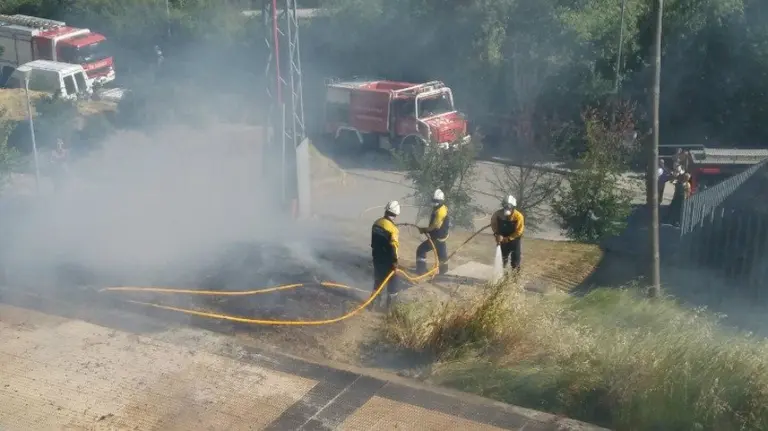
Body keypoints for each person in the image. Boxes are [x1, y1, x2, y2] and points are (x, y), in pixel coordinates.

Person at [371, 201, 402, 309]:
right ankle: (389, 310)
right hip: (388, 260)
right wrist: (395, 262)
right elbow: (394, 246)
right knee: (394, 283)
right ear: (396, 214)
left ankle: (373, 305)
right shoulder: (393, 229)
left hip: (376, 257)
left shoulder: (376, 223)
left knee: (378, 281)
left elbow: (373, 243)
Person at [416, 188, 450, 275]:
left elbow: (433, 227)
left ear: (441, 201)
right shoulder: (440, 208)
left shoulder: (440, 212)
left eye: (436, 201)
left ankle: (421, 271)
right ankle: (443, 273)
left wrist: (424, 230)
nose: (435, 203)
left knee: (421, 250)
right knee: (442, 257)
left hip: (436, 238)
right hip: (441, 238)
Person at [490, 195, 525, 271]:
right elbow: (494, 224)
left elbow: (519, 231)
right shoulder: (497, 214)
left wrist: (509, 238)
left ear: (513, 207)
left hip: (514, 239)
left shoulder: (518, 216)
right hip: (502, 238)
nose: (507, 208)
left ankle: (515, 278)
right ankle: (502, 276)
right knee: (503, 260)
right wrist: (497, 234)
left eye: (509, 206)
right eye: (505, 205)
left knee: (515, 261)